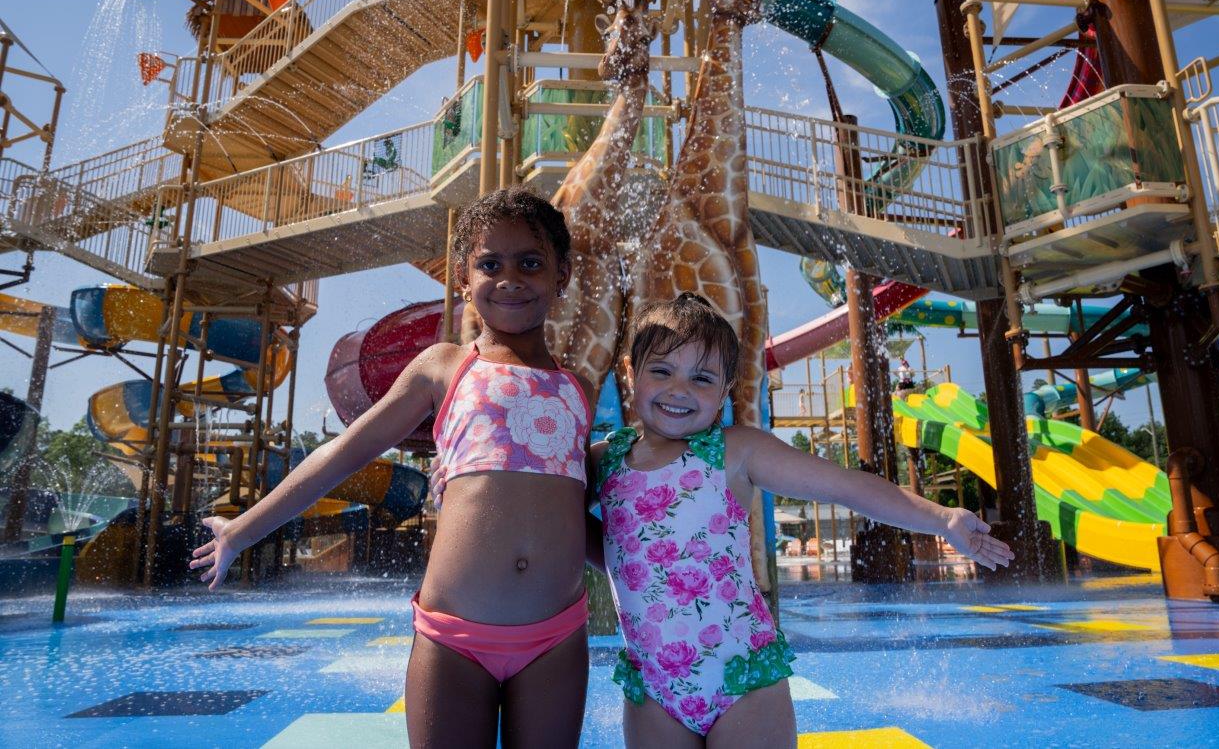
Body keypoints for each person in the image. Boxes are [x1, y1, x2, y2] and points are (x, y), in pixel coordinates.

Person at [191, 188, 596, 749]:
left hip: (556, 637)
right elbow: (345, 453)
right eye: (489, 263)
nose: (510, 278)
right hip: (455, 638)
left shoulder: (580, 387)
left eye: (530, 262)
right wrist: (242, 529)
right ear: (463, 277)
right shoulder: (445, 367)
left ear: (563, 275)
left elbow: (586, 503)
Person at [592, 293, 1013, 746]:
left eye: (702, 378)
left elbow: (843, 485)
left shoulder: (736, 451)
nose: (680, 390)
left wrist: (942, 518)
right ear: (631, 373)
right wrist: (623, 565)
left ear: (726, 389)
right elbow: (566, 524)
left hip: (743, 682)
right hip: (654, 689)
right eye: (661, 371)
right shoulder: (606, 461)